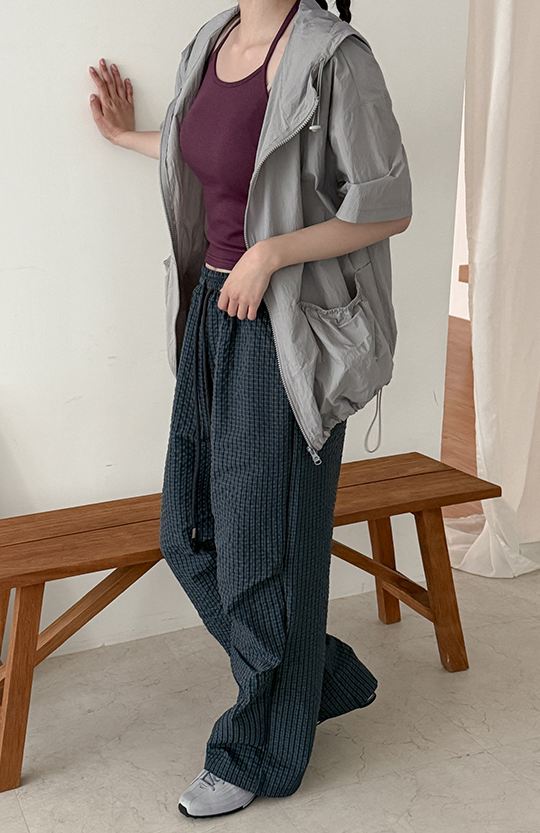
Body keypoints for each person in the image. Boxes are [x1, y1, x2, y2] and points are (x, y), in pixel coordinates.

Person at [89, 0, 412, 818]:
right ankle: (313, 675)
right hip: (211, 312)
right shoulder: (212, 41)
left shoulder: (336, 57)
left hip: (286, 327)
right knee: (188, 530)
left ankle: (258, 750)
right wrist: (126, 135)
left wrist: (270, 253)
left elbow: (388, 203)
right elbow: (210, 153)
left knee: (262, 557)